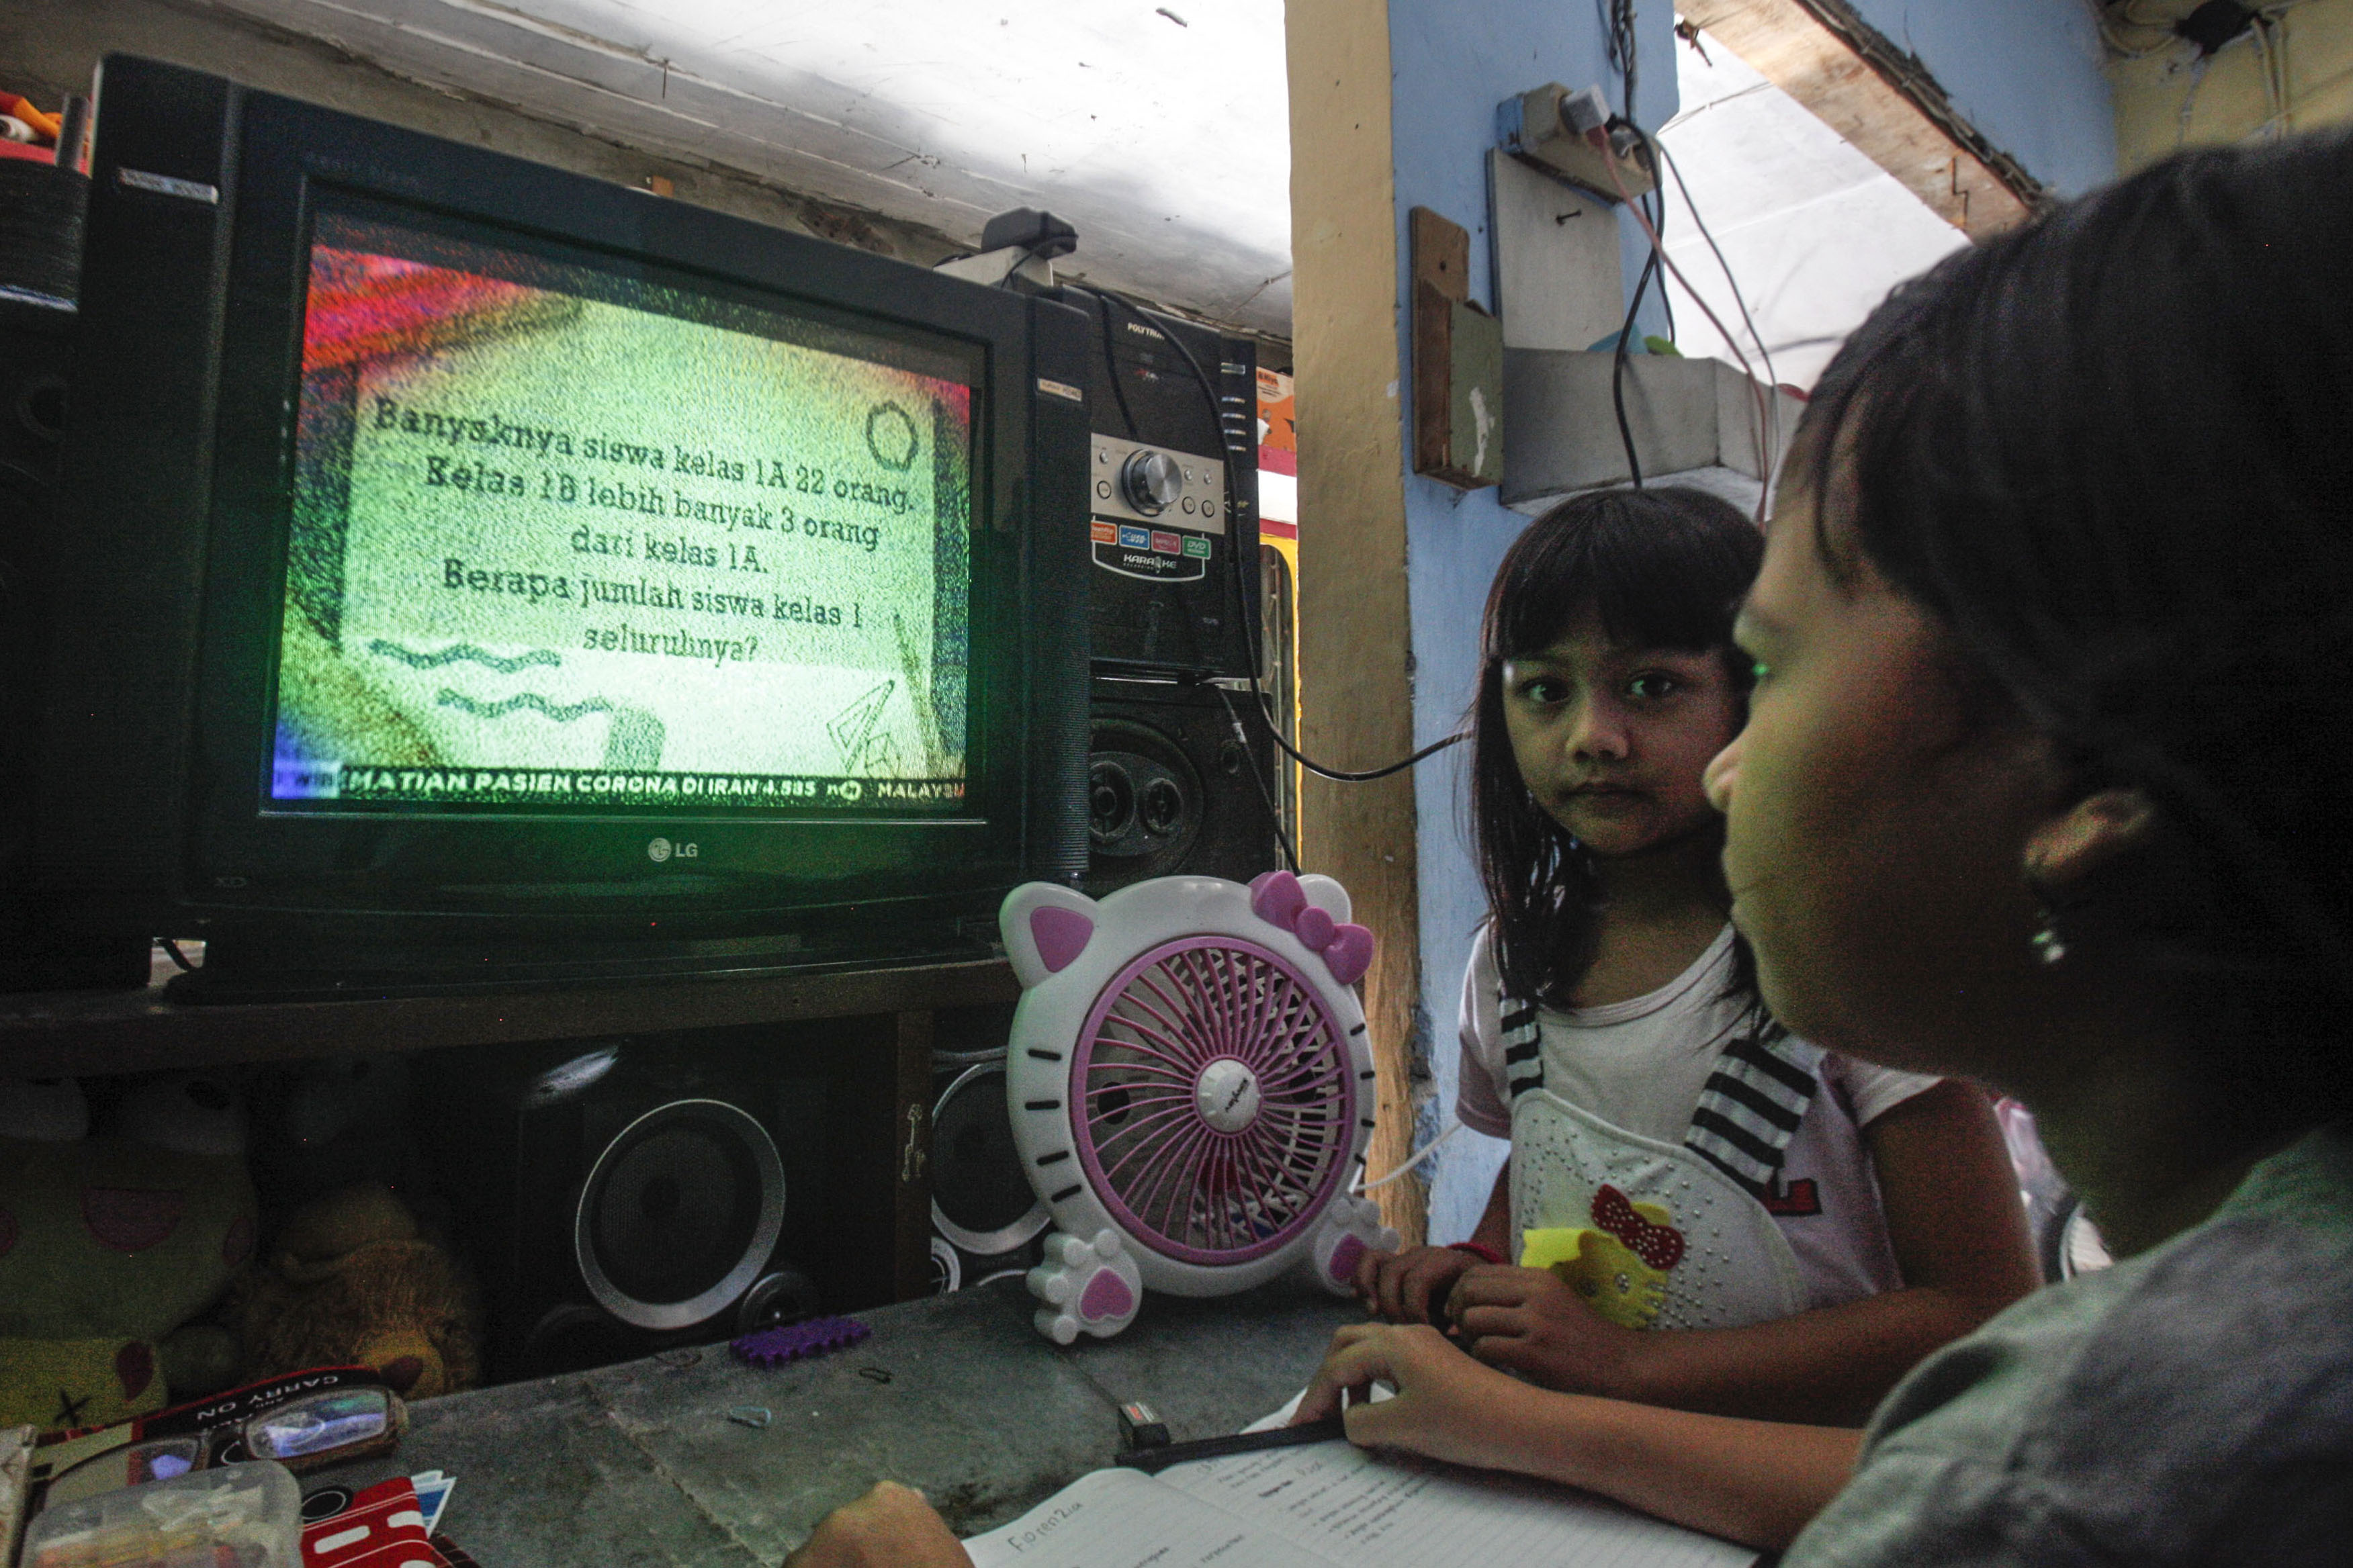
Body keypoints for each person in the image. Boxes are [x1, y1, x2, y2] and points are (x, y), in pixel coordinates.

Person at [784, 130, 2353, 1566]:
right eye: (1542, 695)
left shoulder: (2072, 1484)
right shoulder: (2186, 1380)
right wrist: (1477, 1314)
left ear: (2082, 789)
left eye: (1769, 664)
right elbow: (1563, 1230)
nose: (1698, 761)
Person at [1351, 488, 2037, 1424]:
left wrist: (1631, 1367)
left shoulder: (1851, 962)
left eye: (1653, 686)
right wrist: (1477, 1268)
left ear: (1755, 693)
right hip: (1591, 1483)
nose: (1593, 736)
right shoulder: (1511, 967)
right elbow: (1561, 1174)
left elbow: (1985, 1311)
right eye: (1545, 691)